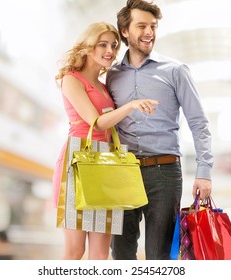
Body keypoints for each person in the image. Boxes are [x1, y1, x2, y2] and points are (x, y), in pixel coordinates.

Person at [106, 0, 214, 260]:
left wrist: (204, 172)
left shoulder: (175, 71)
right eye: (141, 25)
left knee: (159, 256)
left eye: (153, 26)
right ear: (124, 31)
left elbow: (199, 122)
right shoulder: (111, 75)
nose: (149, 32)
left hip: (164, 172)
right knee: (120, 254)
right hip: (122, 172)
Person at [53, 21, 159, 260]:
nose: (110, 50)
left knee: (100, 254)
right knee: (75, 250)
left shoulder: (104, 86)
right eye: (102, 44)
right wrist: (131, 106)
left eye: (113, 45)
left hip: (106, 163)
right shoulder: (72, 79)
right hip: (78, 163)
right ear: (88, 46)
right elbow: (96, 123)